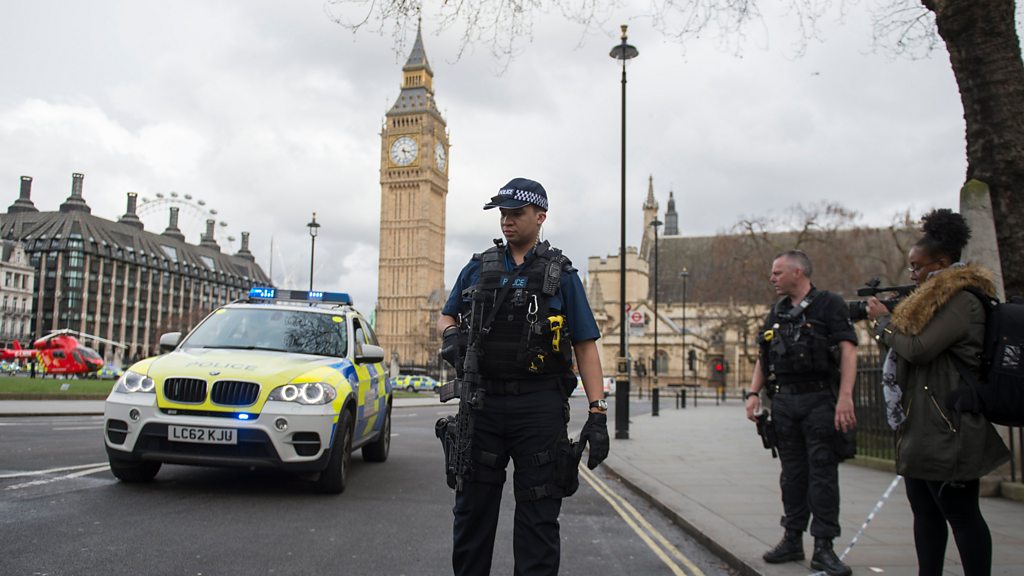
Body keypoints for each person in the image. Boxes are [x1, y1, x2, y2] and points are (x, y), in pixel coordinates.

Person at [437, 177, 609, 576]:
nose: (507, 221)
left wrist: (598, 413)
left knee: (538, 519)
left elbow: (585, 345)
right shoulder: (479, 267)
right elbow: (447, 314)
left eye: (516, 213)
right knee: (471, 518)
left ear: (540, 216)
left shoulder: (561, 274)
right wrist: (450, 335)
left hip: (539, 407)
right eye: (503, 214)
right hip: (482, 405)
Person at [866, 209, 1009, 576]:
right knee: (925, 514)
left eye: (917, 267)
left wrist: (883, 323)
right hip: (923, 424)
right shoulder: (929, 301)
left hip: (951, 426)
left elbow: (917, 349)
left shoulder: (960, 298)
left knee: (961, 516)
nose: (912, 274)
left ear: (942, 263)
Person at [744, 250, 858, 576]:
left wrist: (845, 398)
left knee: (822, 474)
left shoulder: (830, 304)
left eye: (777, 273)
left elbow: (849, 350)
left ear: (798, 272)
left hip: (820, 398)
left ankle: (824, 547)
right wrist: (754, 393)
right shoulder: (777, 311)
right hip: (784, 401)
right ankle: (792, 538)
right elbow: (763, 356)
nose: (772, 278)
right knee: (792, 475)